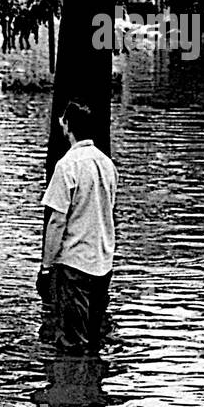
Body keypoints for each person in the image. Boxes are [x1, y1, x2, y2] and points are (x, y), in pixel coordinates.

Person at [39, 100, 117, 356]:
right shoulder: (107, 165)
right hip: (102, 262)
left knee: (71, 343)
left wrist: (46, 267)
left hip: (74, 265)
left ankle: (70, 389)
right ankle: (92, 389)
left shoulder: (67, 166)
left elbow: (57, 220)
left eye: (63, 121)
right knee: (94, 339)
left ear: (68, 127)